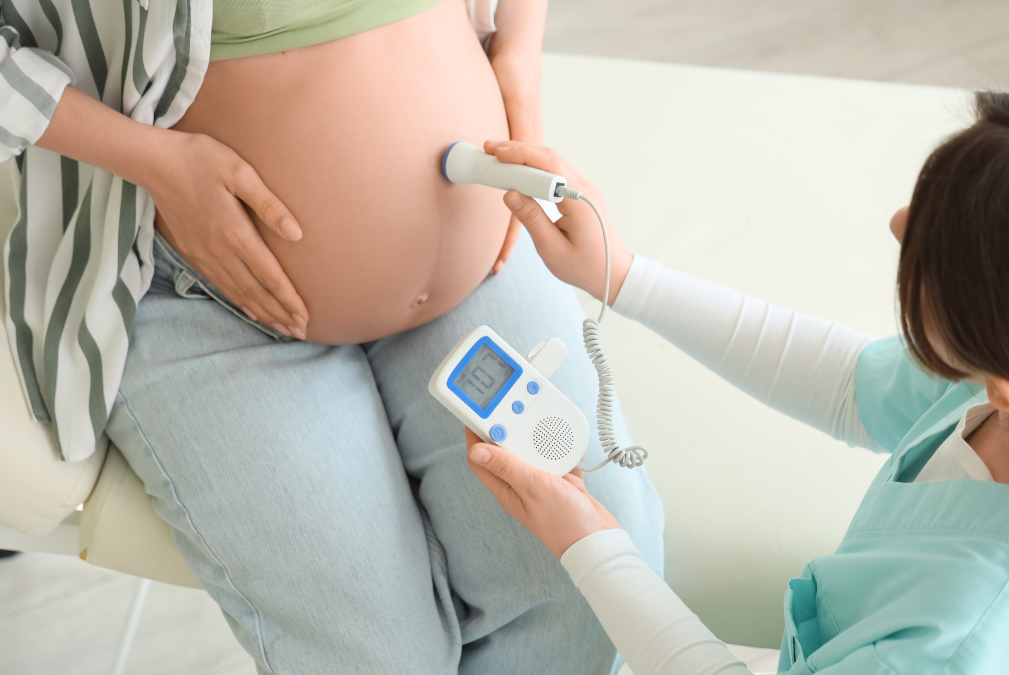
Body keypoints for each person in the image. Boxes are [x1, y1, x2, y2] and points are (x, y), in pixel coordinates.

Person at [2, 1, 662, 672]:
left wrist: (517, 56)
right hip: (194, 284)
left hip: (484, 239)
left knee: (591, 581)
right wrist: (154, 161)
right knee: (374, 658)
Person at [467, 86, 1009, 674]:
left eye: (932, 245)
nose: (899, 224)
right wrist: (621, 276)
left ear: (1007, 386)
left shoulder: (949, 646)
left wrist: (587, 543)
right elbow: (850, 385)